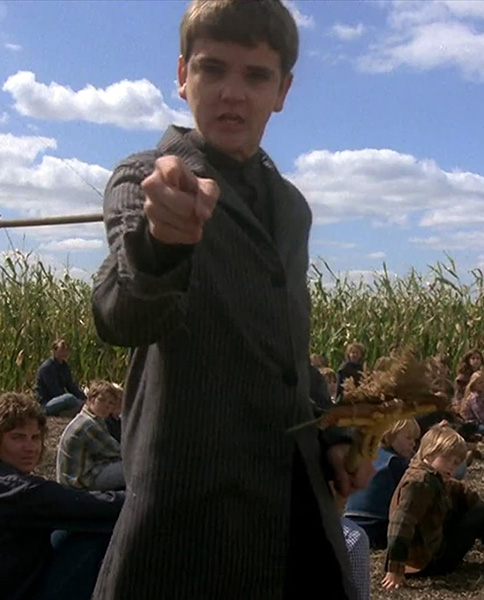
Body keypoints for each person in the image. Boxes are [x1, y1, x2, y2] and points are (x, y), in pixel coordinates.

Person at [90, 2, 359, 597]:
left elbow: (287, 349)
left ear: (282, 91)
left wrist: (332, 435)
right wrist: (162, 243)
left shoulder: (290, 207)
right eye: (212, 69)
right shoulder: (145, 178)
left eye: (256, 75)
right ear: (182, 75)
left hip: (295, 519)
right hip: (192, 524)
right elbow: (120, 313)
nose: (232, 93)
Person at [382, 426, 484, 590]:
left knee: (470, 506)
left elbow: (455, 489)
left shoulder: (428, 474)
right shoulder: (419, 483)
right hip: (425, 562)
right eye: (447, 459)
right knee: (480, 513)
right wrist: (395, 569)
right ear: (430, 452)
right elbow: (400, 524)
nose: (451, 466)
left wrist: (472, 499)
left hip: (425, 551)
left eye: (456, 463)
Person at [0, 392, 124, 600]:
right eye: (17, 437)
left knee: (69, 527)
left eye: (35, 437)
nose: (30, 448)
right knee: (92, 535)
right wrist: (145, 497)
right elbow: (97, 506)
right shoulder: (18, 490)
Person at [345, 419, 420, 549]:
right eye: (408, 438)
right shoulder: (395, 463)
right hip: (376, 525)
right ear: (390, 435)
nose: (413, 444)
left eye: (414, 440)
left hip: (350, 521)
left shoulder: (367, 456)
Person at [56, 381, 125, 491]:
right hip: (78, 483)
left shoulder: (88, 417)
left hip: (75, 477)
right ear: (91, 399)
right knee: (131, 467)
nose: (106, 406)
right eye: (102, 400)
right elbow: (118, 452)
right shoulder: (88, 425)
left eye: (111, 403)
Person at [34, 339, 86, 417]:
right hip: (46, 403)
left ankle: (78, 407)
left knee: (73, 399)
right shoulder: (47, 367)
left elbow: (70, 385)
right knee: (69, 398)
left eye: (66, 350)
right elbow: (54, 390)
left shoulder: (64, 366)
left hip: (59, 399)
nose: (64, 353)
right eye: (61, 350)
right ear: (54, 351)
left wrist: (83, 397)